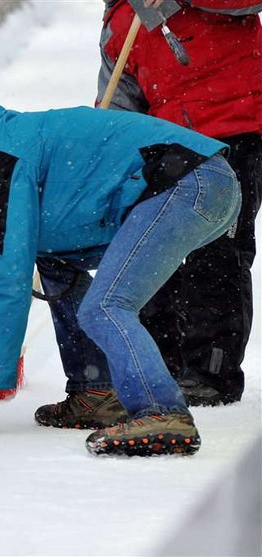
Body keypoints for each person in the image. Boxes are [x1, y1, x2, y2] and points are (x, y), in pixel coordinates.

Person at [0, 103, 240, 457]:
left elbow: (7, 281)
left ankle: (162, 412)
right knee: (52, 260)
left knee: (106, 306)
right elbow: (11, 251)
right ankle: (95, 392)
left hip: (188, 182)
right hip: (191, 183)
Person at [97, 0, 262, 407]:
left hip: (237, 131)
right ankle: (163, 363)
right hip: (170, 147)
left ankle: (212, 370)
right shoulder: (118, 19)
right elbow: (119, 98)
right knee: (155, 251)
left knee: (218, 254)